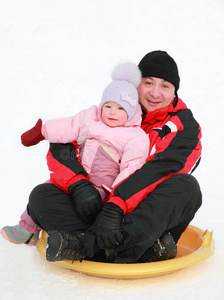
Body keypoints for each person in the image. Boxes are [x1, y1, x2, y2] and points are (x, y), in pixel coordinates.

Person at [4, 50, 202, 264]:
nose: (155, 93)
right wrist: (78, 185)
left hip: (143, 217)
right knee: (41, 196)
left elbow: (162, 170)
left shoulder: (184, 126)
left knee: (187, 187)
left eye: (165, 86)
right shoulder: (114, 109)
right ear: (137, 84)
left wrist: (117, 205)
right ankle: (126, 251)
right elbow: (64, 141)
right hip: (100, 208)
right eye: (148, 82)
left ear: (175, 91)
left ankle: (86, 245)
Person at [1, 62, 149, 246]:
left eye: (121, 109)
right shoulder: (90, 117)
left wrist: (114, 201)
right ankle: (28, 228)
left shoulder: (135, 136)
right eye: (109, 106)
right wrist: (42, 131)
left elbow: (131, 169)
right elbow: (69, 126)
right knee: (48, 188)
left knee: (87, 210)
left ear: (131, 112)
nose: (113, 113)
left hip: (103, 192)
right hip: (79, 178)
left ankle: (85, 240)